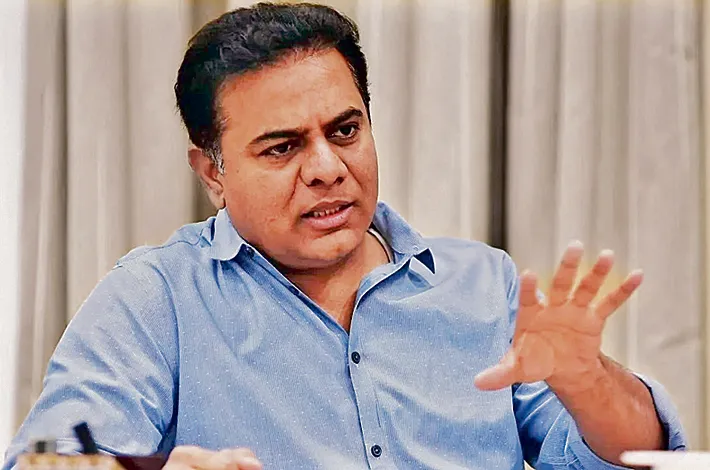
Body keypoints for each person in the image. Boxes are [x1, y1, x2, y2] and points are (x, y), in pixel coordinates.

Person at [4, 3, 686, 470]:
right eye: (282, 147)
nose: (328, 168)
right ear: (212, 173)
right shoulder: (157, 298)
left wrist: (588, 381)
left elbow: (637, 458)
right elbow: (49, 458)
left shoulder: (482, 284)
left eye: (345, 130)